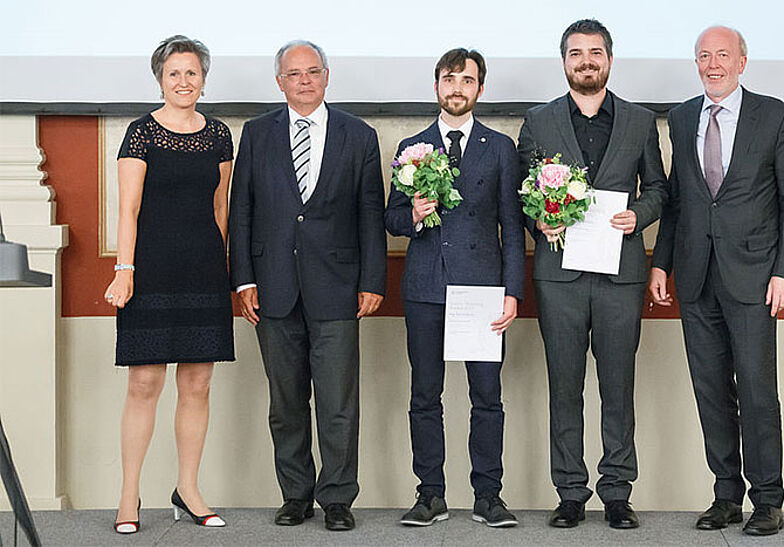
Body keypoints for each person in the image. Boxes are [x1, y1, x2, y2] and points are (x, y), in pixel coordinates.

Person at [649, 25, 784, 536]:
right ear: (695, 63)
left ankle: (768, 499)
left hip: (757, 278)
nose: (712, 64)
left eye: (723, 55)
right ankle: (725, 495)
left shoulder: (774, 115)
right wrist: (660, 262)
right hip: (696, 278)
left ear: (743, 61)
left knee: (759, 391)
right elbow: (678, 199)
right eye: (703, 56)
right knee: (711, 390)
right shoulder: (679, 118)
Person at [228, 40, 386, 532]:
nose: (303, 80)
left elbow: (369, 213)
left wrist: (372, 280)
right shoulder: (256, 134)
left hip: (338, 287)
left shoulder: (358, 135)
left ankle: (338, 498)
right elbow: (242, 211)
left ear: (326, 76)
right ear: (279, 81)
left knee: (339, 402)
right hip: (271, 287)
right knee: (286, 402)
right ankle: (296, 495)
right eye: (293, 73)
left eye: (312, 71)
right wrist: (244, 279)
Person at [516, 19, 668, 529]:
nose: (586, 61)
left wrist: (639, 215)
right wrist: (537, 217)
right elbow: (520, 193)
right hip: (559, 277)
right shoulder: (537, 122)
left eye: (595, 52)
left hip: (619, 276)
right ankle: (571, 492)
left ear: (609, 60)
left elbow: (660, 190)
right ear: (564, 62)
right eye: (576, 53)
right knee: (564, 385)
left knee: (617, 385)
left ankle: (618, 492)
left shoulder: (641, 121)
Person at [384, 48, 524, 528]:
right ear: (436, 86)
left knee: (487, 397)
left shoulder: (500, 148)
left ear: (480, 89)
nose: (457, 87)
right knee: (425, 395)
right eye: (449, 79)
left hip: (483, 292)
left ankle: (489, 495)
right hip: (425, 289)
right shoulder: (412, 147)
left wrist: (513, 292)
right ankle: (431, 494)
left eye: (467, 80)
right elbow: (391, 217)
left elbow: (512, 223)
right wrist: (414, 216)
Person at [106, 34, 232, 534]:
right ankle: (129, 495)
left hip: (203, 270)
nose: (184, 81)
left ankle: (188, 490)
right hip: (150, 270)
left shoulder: (219, 134)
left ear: (204, 79)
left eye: (192, 73)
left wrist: (223, 271)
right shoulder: (140, 133)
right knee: (144, 383)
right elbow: (128, 209)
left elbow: (220, 208)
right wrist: (124, 270)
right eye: (174, 73)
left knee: (198, 384)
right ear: (160, 78)